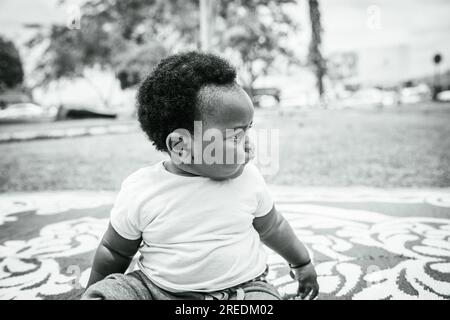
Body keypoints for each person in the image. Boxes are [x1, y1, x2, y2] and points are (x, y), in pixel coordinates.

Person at [82, 51, 319, 300]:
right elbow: (115, 251)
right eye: (235, 137)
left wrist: (301, 263)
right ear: (181, 146)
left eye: (247, 132)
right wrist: (93, 289)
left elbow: (273, 227)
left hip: (242, 289)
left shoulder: (248, 179)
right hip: (157, 291)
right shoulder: (143, 189)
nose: (248, 145)